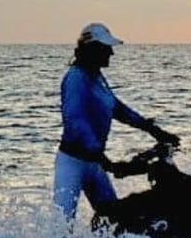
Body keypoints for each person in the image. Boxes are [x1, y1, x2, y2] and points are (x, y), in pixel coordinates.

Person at [53, 22, 180, 221]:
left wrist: (152, 129)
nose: (111, 53)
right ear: (92, 49)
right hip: (73, 162)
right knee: (61, 226)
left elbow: (117, 108)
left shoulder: (96, 77)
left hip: (94, 163)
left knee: (113, 220)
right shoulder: (75, 78)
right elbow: (75, 121)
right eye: (106, 48)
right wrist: (105, 160)